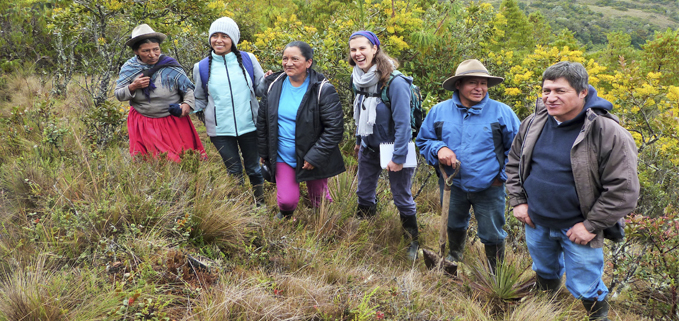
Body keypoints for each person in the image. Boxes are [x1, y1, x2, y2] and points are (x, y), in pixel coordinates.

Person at [506, 61, 639, 320]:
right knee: (544, 270)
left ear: (582, 93)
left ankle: (597, 317)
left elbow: (624, 190)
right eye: (546, 90)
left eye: (560, 91)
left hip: (578, 229)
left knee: (586, 285)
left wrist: (590, 226)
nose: (550, 97)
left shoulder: (607, 131)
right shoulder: (533, 122)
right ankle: (545, 310)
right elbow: (514, 163)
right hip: (536, 221)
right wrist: (518, 201)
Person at [416, 59, 520, 272]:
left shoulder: (502, 112)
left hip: (490, 186)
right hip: (451, 185)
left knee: (492, 233)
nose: (479, 88)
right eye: (473, 83)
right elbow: (423, 140)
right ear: (458, 85)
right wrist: (439, 149)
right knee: (453, 224)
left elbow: (518, 150)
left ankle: (496, 276)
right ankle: (454, 261)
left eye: (483, 83)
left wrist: (500, 177)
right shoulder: (439, 112)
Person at [349, 31, 419, 261]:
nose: (358, 54)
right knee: (364, 193)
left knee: (401, 196)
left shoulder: (395, 82)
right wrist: (359, 142)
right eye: (353, 50)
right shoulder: (357, 78)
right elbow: (360, 113)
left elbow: (403, 124)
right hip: (369, 146)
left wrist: (398, 157)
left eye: (362, 48)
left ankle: (412, 241)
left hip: (396, 147)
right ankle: (368, 234)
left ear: (375, 49)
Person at [257, 41, 345, 219]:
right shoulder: (274, 85)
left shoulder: (322, 89)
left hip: (312, 155)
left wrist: (315, 156)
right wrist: (264, 151)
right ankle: (286, 215)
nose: (288, 63)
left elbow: (334, 128)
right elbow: (262, 122)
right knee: (287, 201)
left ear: (308, 62)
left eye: (294, 59)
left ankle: (326, 226)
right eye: (285, 58)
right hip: (283, 154)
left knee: (319, 200)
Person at [193, 17, 271, 205]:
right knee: (233, 169)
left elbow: (260, 91)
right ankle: (239, 207)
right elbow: (199, 98)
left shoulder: (248, 59)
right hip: (219, 131)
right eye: (215, 36)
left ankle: (259, 204)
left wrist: (267, 80)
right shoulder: (201, 67)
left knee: (253, 167)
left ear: (233, 40)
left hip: (250, 125)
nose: (218, 40)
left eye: (224, 36)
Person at [115, 24, 205, 162]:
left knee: (181, 159)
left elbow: (188, 89)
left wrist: (186, 106)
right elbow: (119, 94)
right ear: (136, 51)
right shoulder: (129, 68)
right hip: (143, 122)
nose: (152, 54)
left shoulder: (170, 65)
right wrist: (133, 87)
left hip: (172, 121)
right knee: (147, 161)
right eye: (146, 51)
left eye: (156, 49)